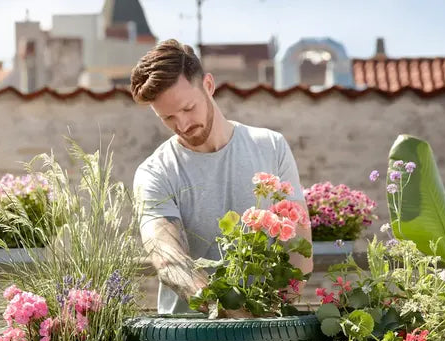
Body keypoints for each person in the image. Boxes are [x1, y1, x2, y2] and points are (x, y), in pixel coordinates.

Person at [130, 39, 312, 316]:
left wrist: (271, 316)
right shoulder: (154, 172)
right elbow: (167, 256)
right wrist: (229, 314)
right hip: (188, 340)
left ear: (209, 85)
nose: (182, 125)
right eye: (167, 118)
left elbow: (299, 248)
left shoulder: (271, 147)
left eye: (188, 108)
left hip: (267, 334)